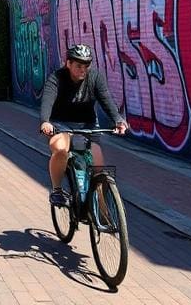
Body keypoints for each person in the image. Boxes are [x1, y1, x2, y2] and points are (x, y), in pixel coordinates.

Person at [39, 44, 128, 206]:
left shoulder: (95, 78)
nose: (83, 69)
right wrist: (45, 121)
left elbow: (106, 100)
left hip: (88, 125)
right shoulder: (56, 78)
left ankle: (100, 213)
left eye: (86, 65)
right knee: (60, 149)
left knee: (98, 168)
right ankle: (57, 190)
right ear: (68, 64)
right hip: (62, 125)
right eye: (79, 65)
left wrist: (118, 120)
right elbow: (47, 99)